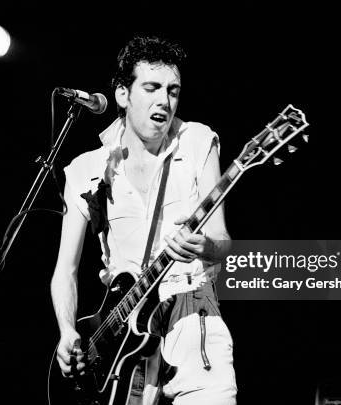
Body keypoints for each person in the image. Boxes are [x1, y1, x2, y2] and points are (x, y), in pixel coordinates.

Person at [51, 35, 237, 405]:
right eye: (151, 88)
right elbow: (64, 271)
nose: (164, 101)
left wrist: (206, 247)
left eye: (173, 91)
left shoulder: (198, 141)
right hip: (119, 337)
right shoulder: (85, 170)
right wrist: (68, 331)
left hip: (192, 313)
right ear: (123, 94)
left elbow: (221, 241)